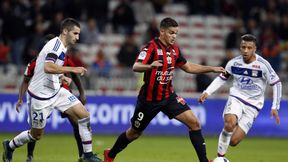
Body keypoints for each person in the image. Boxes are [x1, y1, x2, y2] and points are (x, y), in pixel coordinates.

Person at [103, 17, 225, 162]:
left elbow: (188, 67)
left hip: (168, 96)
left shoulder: (175, 50)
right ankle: (110, 155)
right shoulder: (151, 47)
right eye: (171, 33)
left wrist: (211, 69)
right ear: (162, 32)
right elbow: (136, 66)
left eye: (176, 33)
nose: (174, 36)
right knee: (134, 133)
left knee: (194, 123)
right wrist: (150, 66)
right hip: (148, 100)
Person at [2, 18, 102, 162]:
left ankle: (87, 155)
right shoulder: (55, 46)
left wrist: (61, 76)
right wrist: (72, 69)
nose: (77, 37)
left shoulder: (62, 46)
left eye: (78, 34)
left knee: (84, 115)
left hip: (56, 91)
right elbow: (48, 67)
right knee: (36, 135)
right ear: (65, 31)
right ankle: (10, 145)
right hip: (40, 97)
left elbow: (48, 68)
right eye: (75, 33)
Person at [198, 34, 282, 158]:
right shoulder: (233, 63)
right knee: (229, 123)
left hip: (253, 106)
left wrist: (275, 107)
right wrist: (207, 91)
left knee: (234, 142)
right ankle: (220, 158)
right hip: (236, 98)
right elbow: (222, 78)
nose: (246, 50)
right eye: (243, 47)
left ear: (254, 49)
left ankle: (227, 143)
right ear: (240, 47)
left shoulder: (263, 65)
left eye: (249, 47)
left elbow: (277, 83)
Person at [15, 34, 87, 162]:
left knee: (77, 122)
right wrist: (20, 98)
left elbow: (75, 75)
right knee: (36, 131)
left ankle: (82, 155)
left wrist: (81, 92)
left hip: (61, 94)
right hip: (43, 96)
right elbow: (26, 80)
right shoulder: (35, 62)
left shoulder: (64, 56)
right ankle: (30, 155)